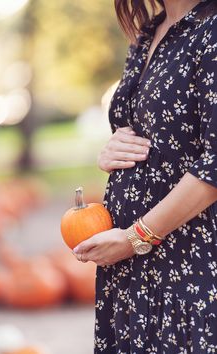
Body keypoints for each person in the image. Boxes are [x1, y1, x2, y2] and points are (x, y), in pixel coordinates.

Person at [73, 0, 217, 352]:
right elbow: (150, 131)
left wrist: (136, 237)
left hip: (189, 264)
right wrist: (111, 150)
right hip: (131, 271)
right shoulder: (148, 31)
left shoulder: (211, 29)